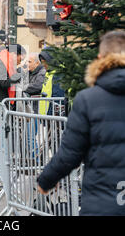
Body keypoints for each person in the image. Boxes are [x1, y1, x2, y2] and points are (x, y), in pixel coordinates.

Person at [37, 30, 125, 216]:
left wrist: (46, 180)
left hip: (101, 201)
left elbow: (70, 153)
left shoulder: (88, 99)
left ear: (101, 58)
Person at [38, 48, 64, 115]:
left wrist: (51, 117)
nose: (43, 64)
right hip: (46, 117)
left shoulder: (58, 74)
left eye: (44, 62)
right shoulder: (49, 73)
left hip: (52, 119)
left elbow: (57, 100)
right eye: (42, 62)